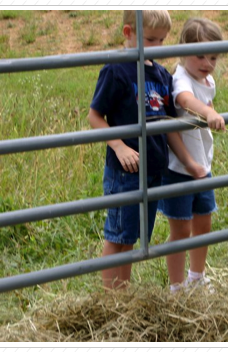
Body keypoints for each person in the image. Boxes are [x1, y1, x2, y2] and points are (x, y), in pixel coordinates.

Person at [88, 10, 192, 290]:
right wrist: (119, 146)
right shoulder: (116, 69)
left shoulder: (160, 74)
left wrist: (188, 162)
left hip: (153, 170)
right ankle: (111, 300)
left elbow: (169, 125)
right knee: (118, 237)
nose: (157, 47)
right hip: (126, 171)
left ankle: (123, 295)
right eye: (150, 39)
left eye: (162, 40)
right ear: (128, 33)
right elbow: (94, 116)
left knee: (132, 238)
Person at [157, 18, 225, 294]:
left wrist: (211, 109)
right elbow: (185, 100)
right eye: (200, 55)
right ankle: (176, 287)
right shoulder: (181, 78)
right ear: (184, 51)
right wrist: (208, 113)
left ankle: (197, 276)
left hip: (203, 165)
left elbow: (206, 101)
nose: (207, 62)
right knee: (181, 231)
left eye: (213, 57)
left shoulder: (207, 79)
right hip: (178, 168)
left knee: (204, 222)